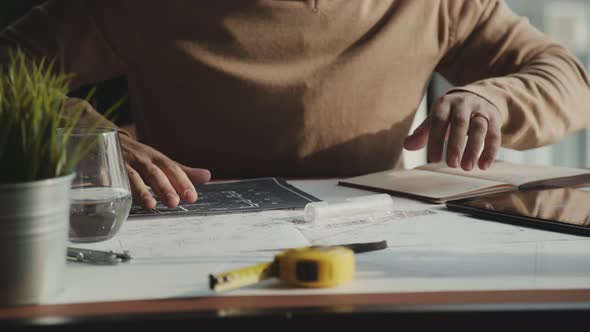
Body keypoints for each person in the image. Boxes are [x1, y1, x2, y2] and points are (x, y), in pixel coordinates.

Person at [2, 0, 589, 210]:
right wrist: (89, 139)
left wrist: (489, 97)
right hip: (187, 237)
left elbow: (567, 78)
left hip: (373, 239)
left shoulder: (436, 2)